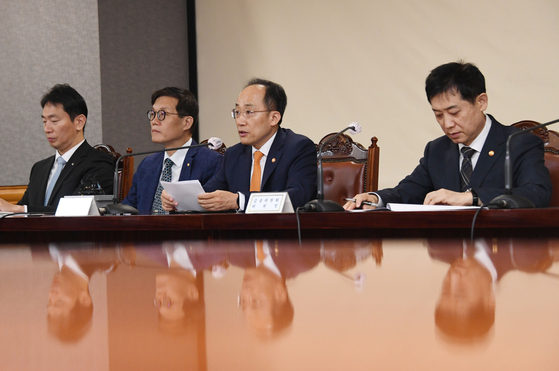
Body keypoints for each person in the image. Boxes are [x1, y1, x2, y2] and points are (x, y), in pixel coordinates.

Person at [344, 61, 552, 210]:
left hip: (503, 255)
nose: (447, 124)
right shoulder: (437, 149)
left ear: (481, 102)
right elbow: (408, 191)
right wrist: (374, 197)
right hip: (449, 257)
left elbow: (537, 193)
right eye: (438, 115)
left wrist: (470, 198)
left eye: (454, 113)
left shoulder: (519, 143)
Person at [161, 78, 317, 212]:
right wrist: (178, 199)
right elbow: (207, 195)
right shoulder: (234, 154)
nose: (240, 121)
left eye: (249, 112)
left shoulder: (298, 147)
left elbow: (297, 198)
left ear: (274, 118)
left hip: (283, 241)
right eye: (237, 112)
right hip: (239, 241)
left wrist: (239, 201)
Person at [0, 84, 114, 213]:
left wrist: (20, 209)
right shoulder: (39, 169)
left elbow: (78, 211)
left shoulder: (97, 163)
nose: (47, 129)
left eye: (54, 121)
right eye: (44, 121)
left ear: (79, 122)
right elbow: (21, 211)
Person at [121, 87, 222, 214]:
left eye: (162, 114)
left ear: (187, 122)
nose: (154, 121)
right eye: (153, 114)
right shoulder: (148, 165)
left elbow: (210, 213)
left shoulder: (210, 162)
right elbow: (128, 208)